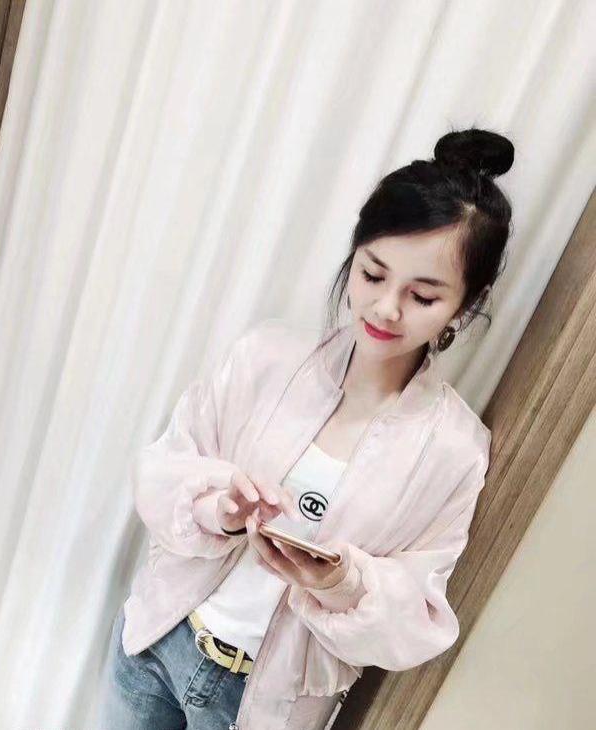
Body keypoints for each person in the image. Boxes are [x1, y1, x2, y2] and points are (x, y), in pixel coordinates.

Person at [97, 126, 514, 730]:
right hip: (155, 644)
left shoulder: (455, 451)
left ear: (466, 305)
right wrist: (220, 509)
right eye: (373, 274)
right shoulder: (265, 357)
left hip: (261, 704)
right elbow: (165, 467)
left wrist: (344, 582)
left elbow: (417, 619)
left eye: (423, 296)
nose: (386, 308)